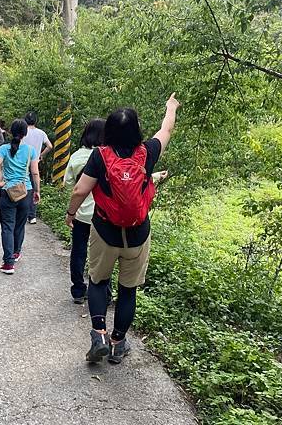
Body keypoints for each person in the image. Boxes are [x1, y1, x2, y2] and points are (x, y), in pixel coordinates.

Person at [65, 93, 180, 364]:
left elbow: (81, 189)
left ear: (109, 131)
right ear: (137, 130)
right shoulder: (147, 153)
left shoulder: (100, 156)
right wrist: (170, 107)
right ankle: (118, 343)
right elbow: (167, 129)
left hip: (105, 232)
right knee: (128, 290)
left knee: (97, 281)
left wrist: (71, 213)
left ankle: (99, 334)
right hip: (138, 236)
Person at [65, 118, 110, 305]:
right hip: (104, 216)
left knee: (78, 252)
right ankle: (104, 293)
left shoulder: (76, 156)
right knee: (103, 257)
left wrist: (70, 212)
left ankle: (77, 290)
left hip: (81, 215)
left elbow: (69, 184)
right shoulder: (109, 156)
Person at [0, 119, 40, 275]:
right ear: (25, 133)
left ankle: (8, 264)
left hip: (7, 192)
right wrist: (37, 191)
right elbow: (35, 173)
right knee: (19, 225)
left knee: (7, 227)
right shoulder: (31, 150)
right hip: (26, 192)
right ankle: (16, 252)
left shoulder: (4, 149)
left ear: (11, 132)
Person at [23, 111, 52, 224]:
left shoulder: (23, 132)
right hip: (35, 162)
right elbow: (50, 146)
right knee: (34, 188)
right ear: (36, 121)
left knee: (23, 187)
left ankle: (23, 213)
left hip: (23, 163)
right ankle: (32, 216)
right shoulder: (41, 133)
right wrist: (41, 155)